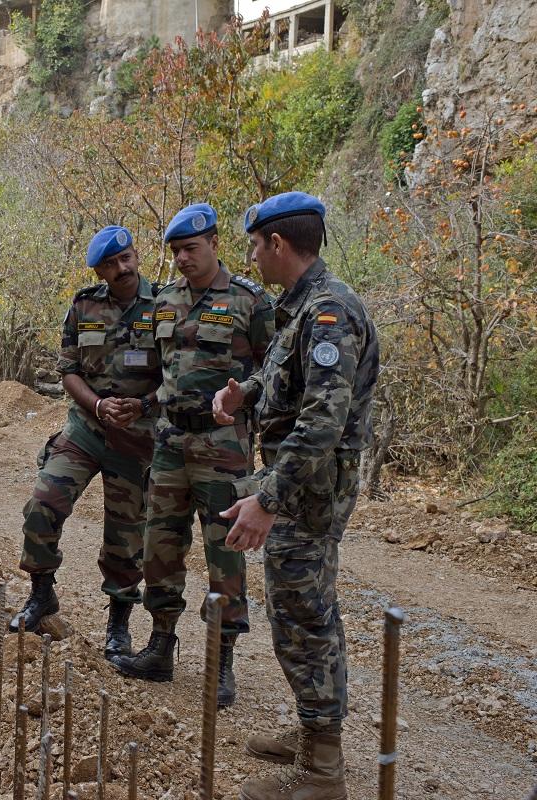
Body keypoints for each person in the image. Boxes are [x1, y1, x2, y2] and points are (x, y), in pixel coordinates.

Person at [213, 191, 379, 800]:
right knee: (301, 612)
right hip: (300, 483)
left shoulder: (330, 311)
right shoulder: (304, 306)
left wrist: (268, 499)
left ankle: (322, 770)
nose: (252, 257)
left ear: (278, 243)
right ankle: (315, 734)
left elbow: (321, 422)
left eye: (255, 246)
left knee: (303, 618)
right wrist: (246, 392)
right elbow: (289, 377)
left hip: (308, 490)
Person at [110, 203, 274, 709]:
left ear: (215, 244)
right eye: (176, 251)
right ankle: (160, 646)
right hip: (169, 443)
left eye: (190, 248)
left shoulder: (250, 301)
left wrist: (256, 425)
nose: (182, 258)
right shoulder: (165, 300)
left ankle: (221, 661)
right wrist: (141, 406)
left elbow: (274, 374)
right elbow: (162, 374)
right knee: (159, 545)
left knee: (224, 552)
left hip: (223, 446)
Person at [11, 225, 162, 665]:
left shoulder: (167, 305)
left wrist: (143, 404)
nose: (122, 268)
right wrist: (97, 405)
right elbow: (69, 370)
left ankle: (118, 624)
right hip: (85, 431)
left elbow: (179, 373)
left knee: (126, 536)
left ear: (136, 256)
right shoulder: (84, 306)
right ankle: (42, 595)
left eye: (126, 258)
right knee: (43, 505)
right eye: (111, 265)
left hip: (137, 437)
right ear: (99, 271)